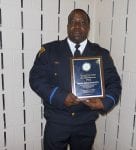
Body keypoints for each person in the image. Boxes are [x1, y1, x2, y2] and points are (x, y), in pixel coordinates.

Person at [29, 9, 121, 150]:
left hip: (86, 124)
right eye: (73, 22)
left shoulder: (101, 54)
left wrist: (104, 103)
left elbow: (114, 83)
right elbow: (36, 79)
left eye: (82, 22)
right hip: (57, 123)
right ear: (67, 26)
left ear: (88, 28)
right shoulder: (49, 51)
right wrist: (60, 96)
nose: (77, 26)